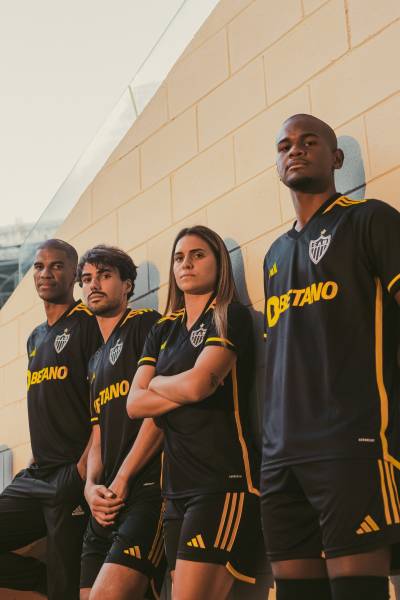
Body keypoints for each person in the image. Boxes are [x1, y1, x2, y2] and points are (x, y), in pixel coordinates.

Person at [261, 113, 400, 600]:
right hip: (280, 458)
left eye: (308, 141)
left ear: (336, 158)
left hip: (351, 444)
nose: (294, 150)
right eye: (284, 146)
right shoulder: (275, 254)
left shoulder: (370, 219)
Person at [127, 225, 266, 600]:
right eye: (179, 257)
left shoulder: (228, 315)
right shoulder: (162, 330)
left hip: (222, 482)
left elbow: (199, 385)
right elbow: (134, 404)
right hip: (176, 491)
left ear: (219, 263)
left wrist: (160, 383)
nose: (186, 263)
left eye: (197, 255)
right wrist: (187, 386)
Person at [0, 238, 102, 600]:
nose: (46, 273)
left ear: (75, 274)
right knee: (55, 583)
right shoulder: (35, 337)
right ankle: (40, 579)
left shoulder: (90, 325)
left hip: (71, 475)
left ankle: (56, 583)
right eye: (39, 266)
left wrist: (81, 470)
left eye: (57, 265)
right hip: (37, 476)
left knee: (67, 589)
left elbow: (105, 406)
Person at [76, 244, 165, 600]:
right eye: (87, 279)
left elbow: (160, 411)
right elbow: (98, 435)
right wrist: (90, 487)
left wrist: (125, 478)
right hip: (105, 499)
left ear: (127, 285)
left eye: (104, 275)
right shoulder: (94, 359)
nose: (94, 284)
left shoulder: (147, 324)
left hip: (146, 489)